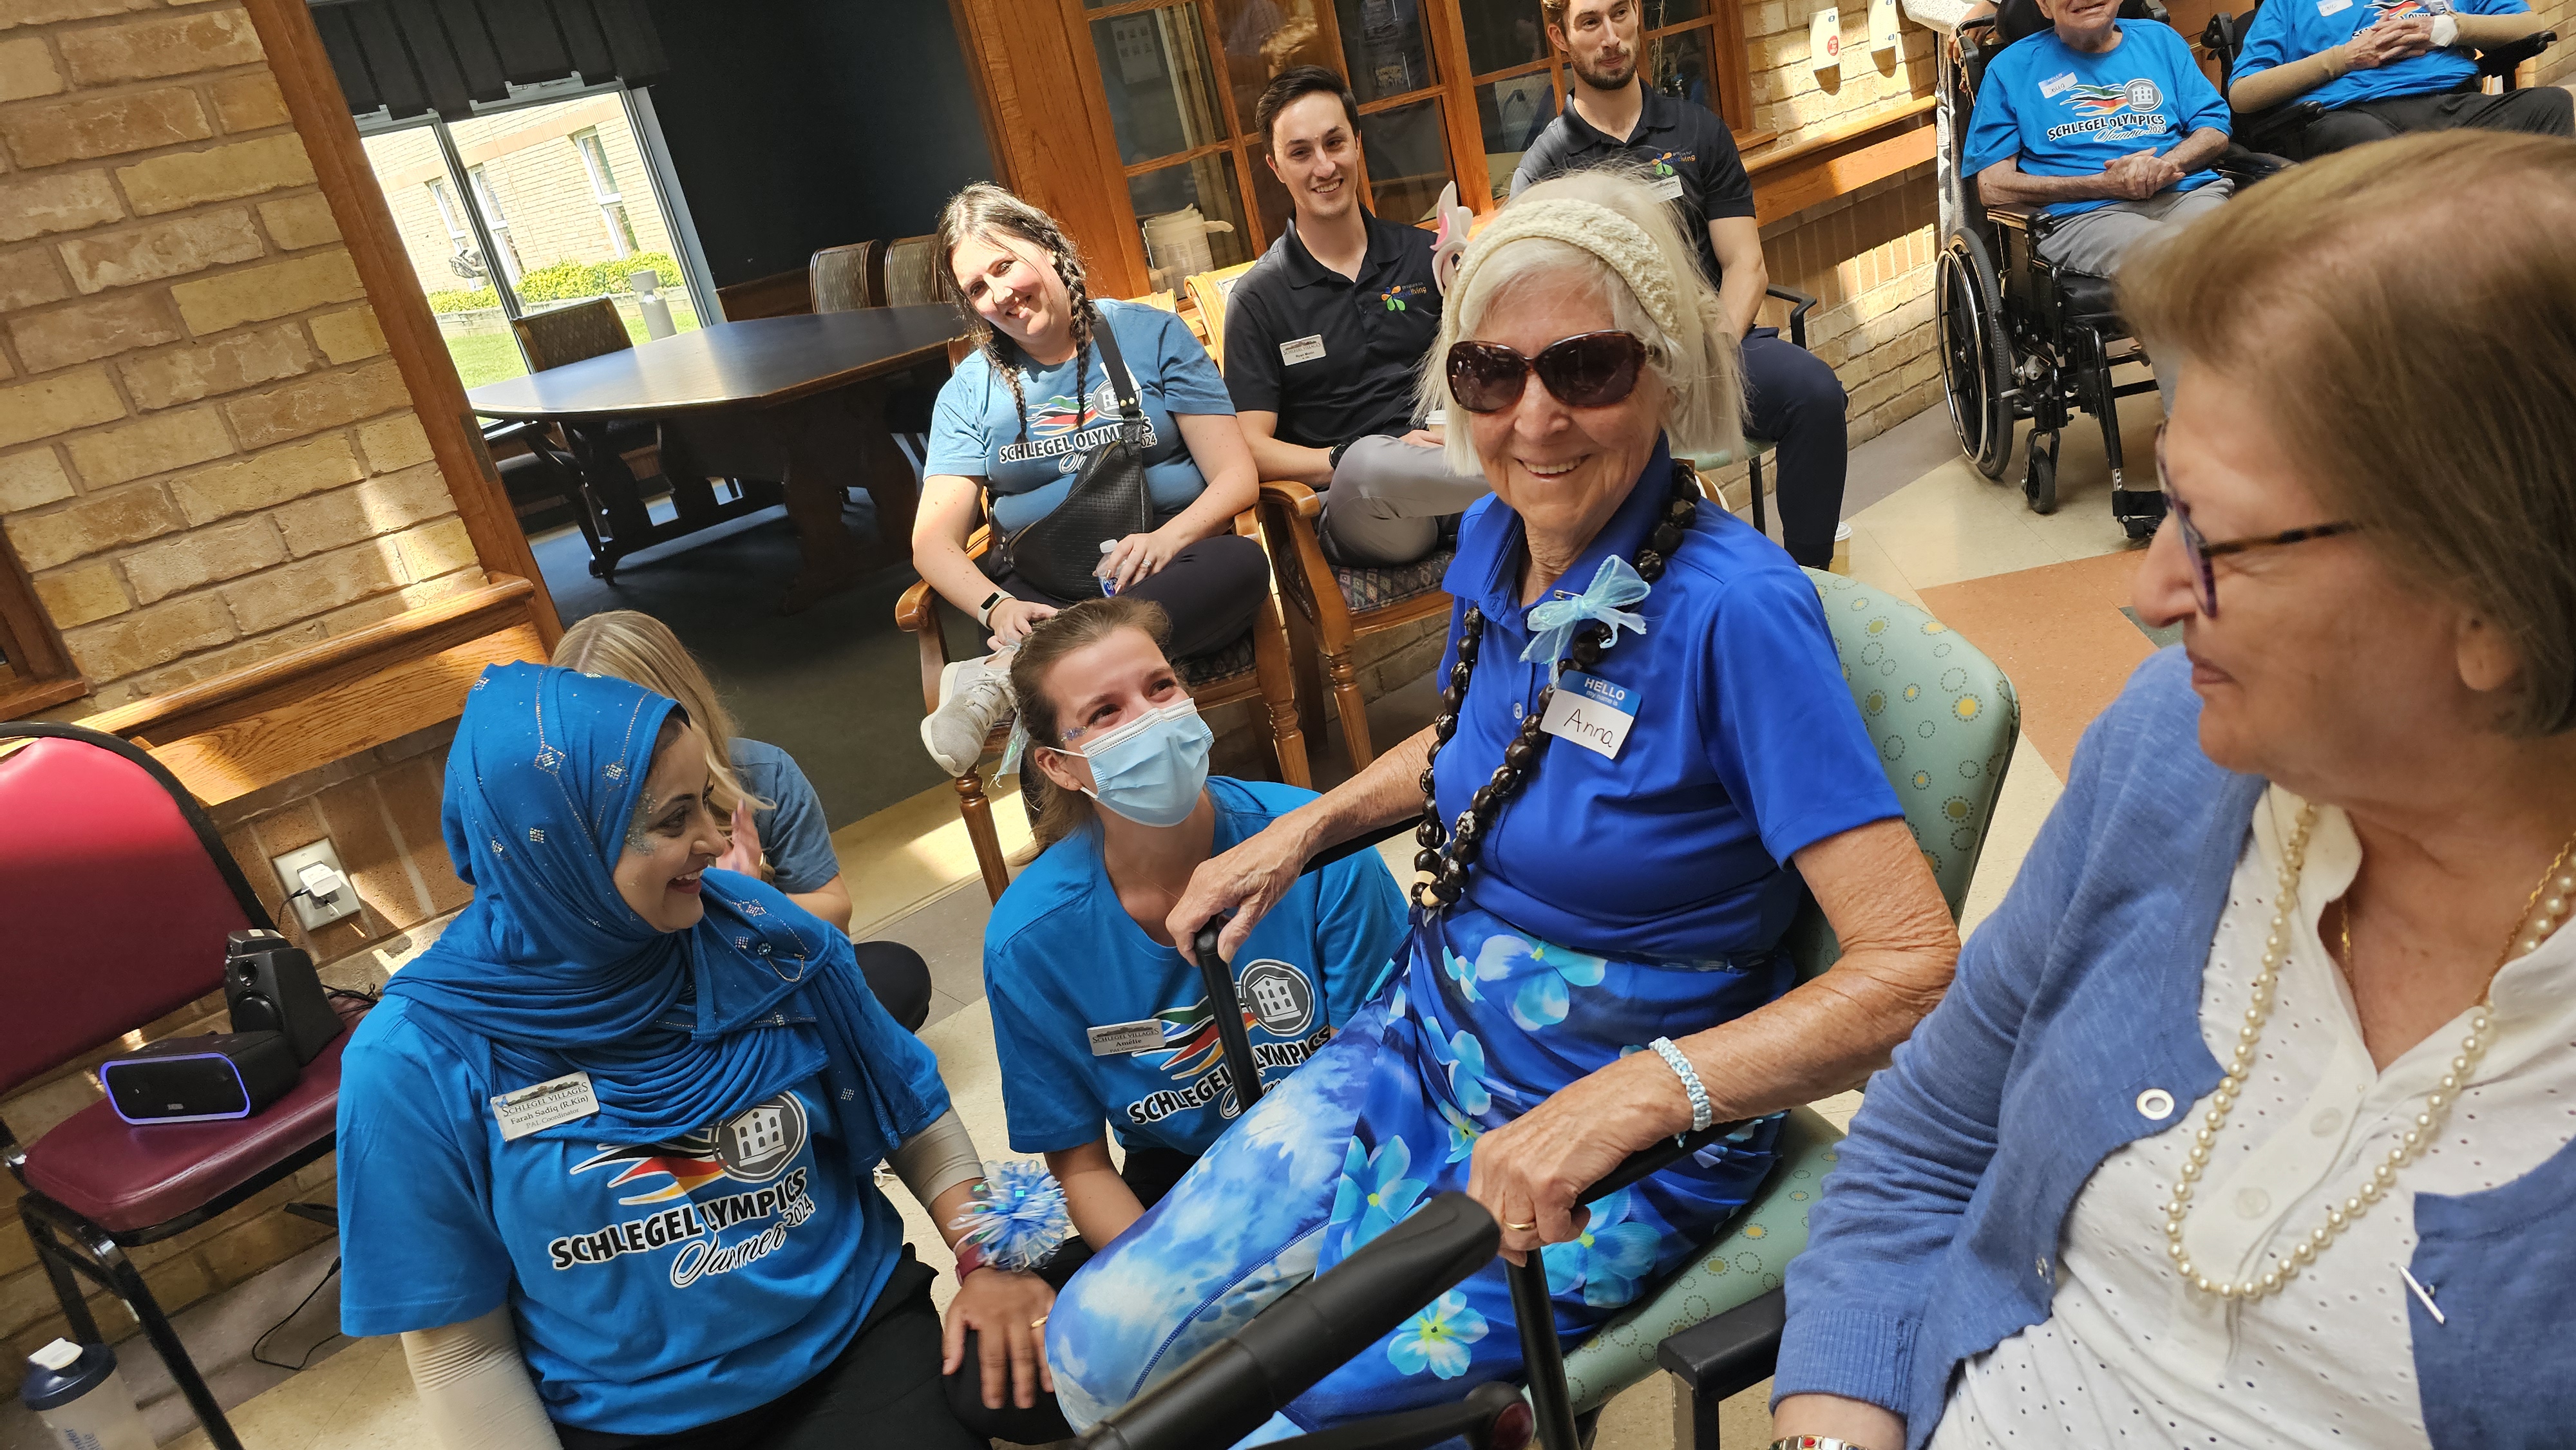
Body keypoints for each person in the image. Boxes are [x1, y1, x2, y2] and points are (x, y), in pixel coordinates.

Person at [1040, 169, 1960, 1440]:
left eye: (1584, 368)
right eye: (1488, 374)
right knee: (1092, 1344)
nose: (1532, 420)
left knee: (1271, 1424)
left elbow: (1914, 967)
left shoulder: (1735, 617)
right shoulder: (1502, 532)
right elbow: (1489, 745)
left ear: (1666, 373)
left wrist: (1636, 1095)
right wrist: (1298, 829)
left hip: (1617, 1140)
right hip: (1426, 1043)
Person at [1771, 132, 2576, 1450]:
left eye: (2216, 539)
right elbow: (1920, 1142)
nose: (2146, 597)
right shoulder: (2171, 748)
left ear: (2490, 601)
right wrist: (1825, 1426)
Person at [335, 664, 1057, 1450]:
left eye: (709, 804)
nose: (716, 842)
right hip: (627, 1416)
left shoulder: (764, 932)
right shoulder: (415, 1055)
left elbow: (914, 1110)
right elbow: (461, 1351)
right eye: (676, 818)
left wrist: (989, 1259)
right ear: (558, 844)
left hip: (847, 1338)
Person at [987, 595, 1409, 1239]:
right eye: (1105, 712)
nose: (1152, 721)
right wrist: (1152, 1289)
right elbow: (1080, 1164)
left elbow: (1389, 1067)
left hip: (1356, 1135)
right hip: (1182, 1170)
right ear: (1058, 765)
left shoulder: (1320, 847)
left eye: (1161, 688)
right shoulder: (1031, 939)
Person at [913, 183, 1269, 775]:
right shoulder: (968, 391)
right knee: (1034, 637)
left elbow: (1236, 478)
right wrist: (998, 608)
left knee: (1240, 566)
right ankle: (1025, 655)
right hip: (1038, 594)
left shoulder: (1151, 336)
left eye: (1005, 266)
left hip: (1166, 575)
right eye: (978, 288)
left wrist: (1168, 539)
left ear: (1048, 248)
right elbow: (931, 542)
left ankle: (1011, 672)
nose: (1001, 294)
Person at [1511, 0, 1852, 570]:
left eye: (1620, 14)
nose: (1612, 36)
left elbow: (1746, 265)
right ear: (1560, 37)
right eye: (1590, 23)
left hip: (1710, 347)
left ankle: (1809, 583)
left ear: (1638, 13)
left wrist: (1710, 347)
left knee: (1814, 393)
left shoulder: (1699, 130)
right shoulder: (1546, 166)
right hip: (1606, 377)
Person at [551, 610, 934, 1031]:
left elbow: (834, 913)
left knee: (895, 973)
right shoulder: (562, 809)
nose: (711, 842)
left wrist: (747, 900)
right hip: (649, 1009)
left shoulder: (764, 772)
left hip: (763, 979)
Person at [1225, 66, 1489, 568]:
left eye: (1335, 143)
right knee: (1371, 459)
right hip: (1365, 510)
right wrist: (1340, 456)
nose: (1324, 167)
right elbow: (1249, 450)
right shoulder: (1260, 298)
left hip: (1458, 490)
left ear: (1358, 144)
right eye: (1301, 153)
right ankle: (1535, 470)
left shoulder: (1425, 256)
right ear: (1276, 168)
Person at [1963, 0, 2233, 409]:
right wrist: (2101, 184)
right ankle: (2203, 452)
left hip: (2183, 192)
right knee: (2170, 261)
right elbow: (1993, 186)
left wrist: (2164, 165)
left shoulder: (2160, 41)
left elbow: (2214, 129)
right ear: (2044, 6)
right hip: (2084, 216)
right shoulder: (2011, 68)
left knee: (2248, 257)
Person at [2228, 0, 2570, 160]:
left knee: (2551, 104)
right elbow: (2244, 93)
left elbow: (2530, 27)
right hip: (2353, 114)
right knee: (2385, 152)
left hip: (2453, 102)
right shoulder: (2288, 4)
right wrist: (2343, 59)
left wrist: (2447, 29)